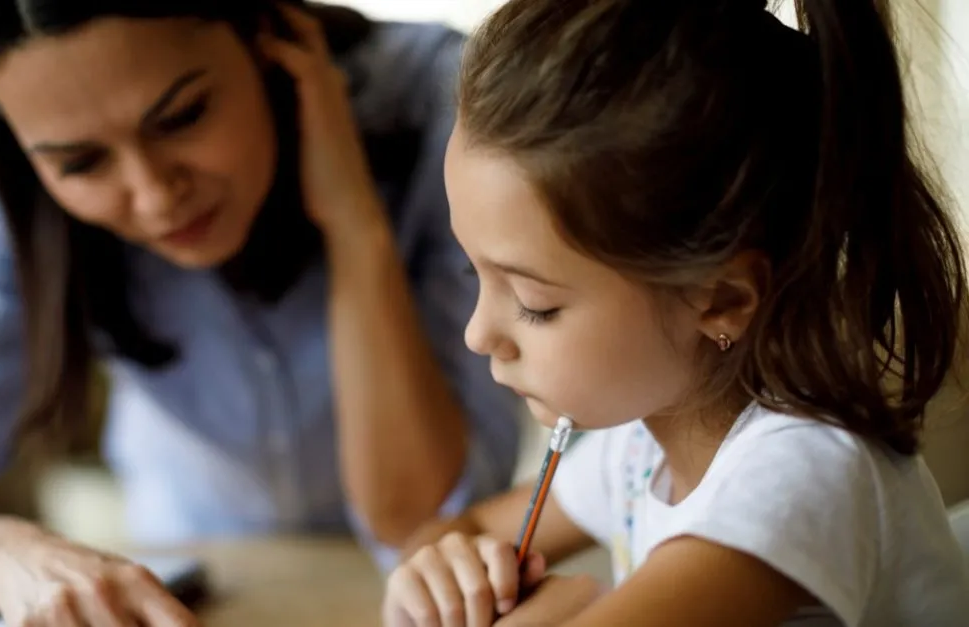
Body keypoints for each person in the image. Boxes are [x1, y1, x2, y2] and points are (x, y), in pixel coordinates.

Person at [0, 1, 521, 625]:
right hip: (194, 576)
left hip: (410, 590)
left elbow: (419, 520)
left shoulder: (440, 101)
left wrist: (353, 223)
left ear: (265, 34)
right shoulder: (14, 161)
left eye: (183, 116)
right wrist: (6, 554)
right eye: (81, 165)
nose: (154, 196)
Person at [382, 0, 969, 625]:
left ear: (721, 300)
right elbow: (461, 529)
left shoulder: (804, 475)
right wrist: (435, 577)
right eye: (476, 273)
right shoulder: (639, 449)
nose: (479, 334)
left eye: (535, 304)